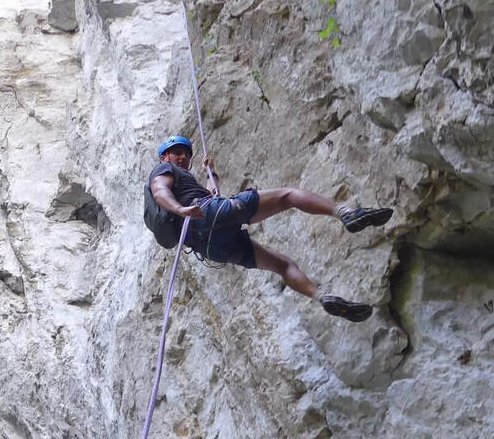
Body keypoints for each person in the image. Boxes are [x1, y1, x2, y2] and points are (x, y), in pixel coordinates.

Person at [147, 135, 392, 322]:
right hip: (204, 216)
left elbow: (214, 196)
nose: (182, 158)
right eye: (176, 153)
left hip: (211, 246)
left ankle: (321, 296)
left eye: (185, 154)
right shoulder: (163, 170)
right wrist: (181, 210)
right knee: (288, 196)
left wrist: (212, 175)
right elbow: (160, 190)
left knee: (283, 265)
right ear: (163, 158)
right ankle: (345, 213)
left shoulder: (185, 180)